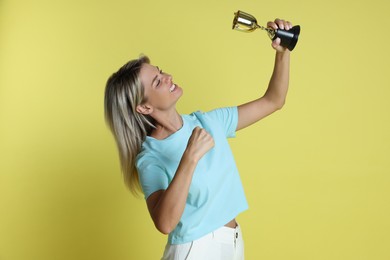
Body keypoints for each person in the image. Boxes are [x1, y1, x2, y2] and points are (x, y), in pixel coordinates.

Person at [104, 18, 293, 260]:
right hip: (196, 250)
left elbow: (273, 101)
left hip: (233, 243)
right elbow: (164, 223)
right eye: (157, 81)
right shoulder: (151, 156)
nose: (168, 77)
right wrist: (190, 156)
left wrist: (283, 52)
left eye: (161, 72)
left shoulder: (209, 122)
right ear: (143, 107)